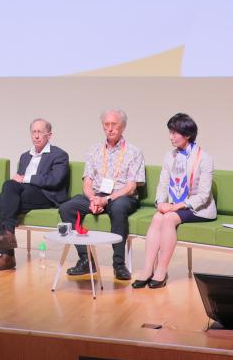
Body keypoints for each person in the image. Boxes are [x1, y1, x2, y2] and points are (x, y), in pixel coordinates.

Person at [58, 109, 145, 281]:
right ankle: (85, 260)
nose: (110, 129)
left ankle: (119, 264)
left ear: (123, 127)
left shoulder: (134, 152)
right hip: (97, 195)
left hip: (121, 196)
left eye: (114, 125)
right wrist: (93, 199)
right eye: (106, 125)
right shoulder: (94, 150)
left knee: (119, 208)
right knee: (67, 207)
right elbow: (87, 182)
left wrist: (106, 199)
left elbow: (131, 185)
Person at [133, 113, 216, 289]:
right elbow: (162, 185)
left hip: (198, 208)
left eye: (174, 133)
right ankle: (148, 269)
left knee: (169, 218)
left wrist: (176, 206)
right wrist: (160, 203)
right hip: (174, 205)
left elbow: (203, 195)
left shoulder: (205, 158)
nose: (170, 137)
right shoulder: (169, 156)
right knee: (157, 217)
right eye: (170, 132)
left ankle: (161, 271)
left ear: (187, 134)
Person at [0, 118, 70, 271]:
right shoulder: (25, 156)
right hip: (25, 194)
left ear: (49, 135)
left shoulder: (59, 155)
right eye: (34, 132)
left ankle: (7, 255)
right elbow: (17, 182)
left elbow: (55, 180)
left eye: (40, 132)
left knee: (4, 200)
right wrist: (19, 180)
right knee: (8, 189)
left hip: (45, 195)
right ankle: (8, 237)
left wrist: (25, 178)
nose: (36, 136)